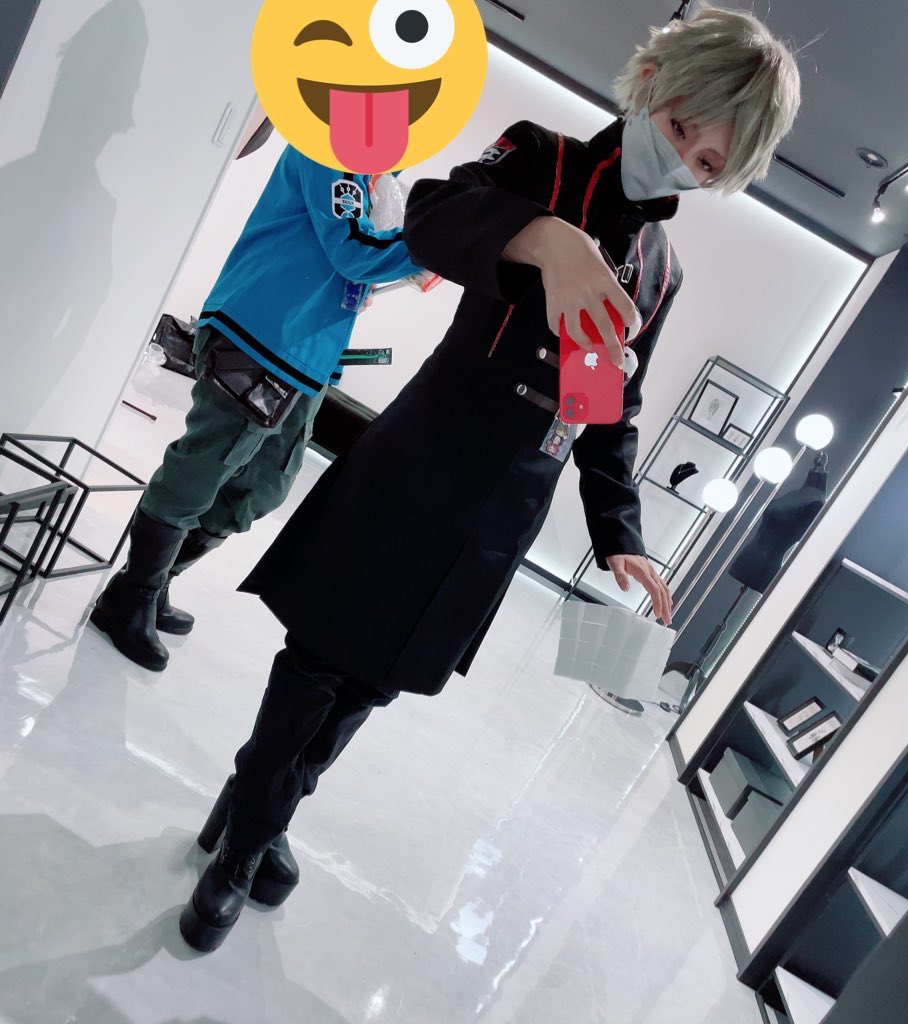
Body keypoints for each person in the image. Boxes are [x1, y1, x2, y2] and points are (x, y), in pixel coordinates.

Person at [177, 6, 801, 952]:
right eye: (680, 129)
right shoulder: (539, 158)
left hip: (505, 503)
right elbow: (432, 218)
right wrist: (542, 238)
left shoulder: (659, 269)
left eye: (708, 164)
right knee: (320, 659)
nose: (682, 162)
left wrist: (620, 530)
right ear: (651, 85)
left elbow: (608, 405)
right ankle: (240, 849)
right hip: (424, 457)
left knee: (376, 681)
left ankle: (260, 804)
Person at [90, 144, 421, 672]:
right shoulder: (330, 146)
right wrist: (433, 242)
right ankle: (133, 594)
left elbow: (353, 258)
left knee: (264, 485)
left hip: (309, 351)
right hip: (261, 334)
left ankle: (157, 581)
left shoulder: (373, 174)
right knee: (204, 466)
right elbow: (353, 250)